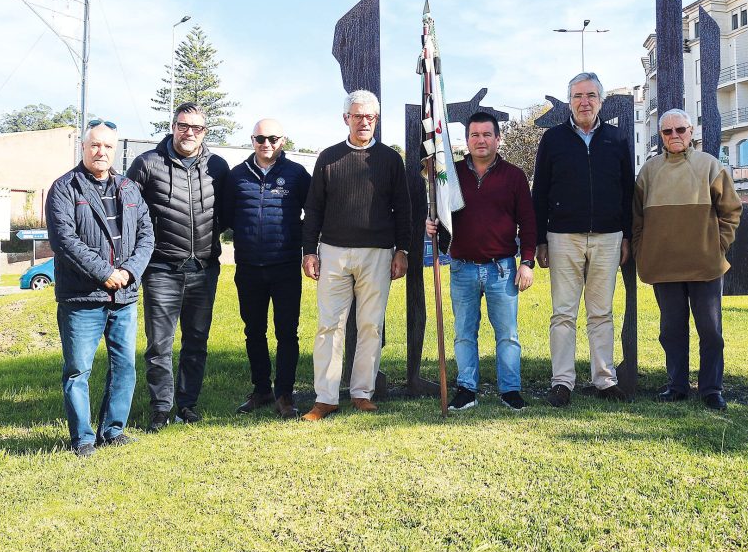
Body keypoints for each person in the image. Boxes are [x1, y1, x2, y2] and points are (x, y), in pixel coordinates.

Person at [46, 119, 155, 456]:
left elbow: (147, 235)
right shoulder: (65, 188)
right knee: (78, 369)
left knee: (125, 366)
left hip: (124, 296)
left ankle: (113, 430)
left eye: (108, 146)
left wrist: (129, 272)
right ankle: (83, 438)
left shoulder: (129, 188)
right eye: (95, 145)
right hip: (82, 297)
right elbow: (64, 240)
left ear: (116, 150)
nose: (101, 151)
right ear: (83, 147)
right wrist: (105, 272)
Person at [301, 90, 411, 419]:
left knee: (370, 326)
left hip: (377, 253)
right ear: (345, 118)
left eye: (370, 117)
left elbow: (402, 209)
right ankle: (326, 397)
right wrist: (310, 250)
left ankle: (362, 392)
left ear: (376, 120)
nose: (364, 122)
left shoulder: (391, 160)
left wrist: (402, 249)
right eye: (358, 116)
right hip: (333, 252)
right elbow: (313, 208)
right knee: (329, 326)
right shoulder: (328, 158)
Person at [532, 72, 634, 407]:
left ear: (601, 100)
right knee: (563, 312)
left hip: (608, 237)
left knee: (601, 312)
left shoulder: (618, 140)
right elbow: (540, 191)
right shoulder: (553, 139)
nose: (584, 102)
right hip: (562, 237)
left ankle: (604, 379)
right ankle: (562, 381)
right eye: (577, 96)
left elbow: (627, 191)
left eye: (590, 95)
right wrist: (540, 240)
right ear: (569, 102)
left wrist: (626, 235)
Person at [127, 102, 229, 431]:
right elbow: (130, 216)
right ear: (173, 127)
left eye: (196, 128)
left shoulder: (218, 166)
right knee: (159, 343)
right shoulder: (147, 164)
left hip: (203, 268)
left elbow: (226, 212)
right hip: (161, 269)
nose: (189, 133)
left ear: (205, 132)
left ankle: (187, 404)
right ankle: (160, 407)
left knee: (196, 340)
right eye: (183, 126)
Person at [425, 112, 536, 412]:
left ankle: (510, 390)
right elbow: (441, 213)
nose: (481, 140)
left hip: (502, 269)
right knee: (464, 332)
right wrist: (431, 224)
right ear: (467, 140)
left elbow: (527, 223)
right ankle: (466, 389)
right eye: (475, 135)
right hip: (462, 267)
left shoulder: (514, 176)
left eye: (487, 134)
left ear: (498, 139)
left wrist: (527, 262)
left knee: (508, 334)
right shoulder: (450, 174)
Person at [632, 108, 742, 411]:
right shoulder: (649, 171)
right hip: (664, 266)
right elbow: (636, 219)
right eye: (667, 132)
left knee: (710, 330)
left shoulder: (710, 166)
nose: (674, 136)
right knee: (671, 331)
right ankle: (676, 385)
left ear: (691, 131)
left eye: (680, 130)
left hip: (705, 265)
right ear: (661, 136)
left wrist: (717, 246)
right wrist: (644, 251)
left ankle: (711, 389)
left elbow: (731, 212)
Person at [222, 119, 311, 419]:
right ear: (252, 140)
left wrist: (295, 236)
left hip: (285, 266)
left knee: (287, 332)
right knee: (253, 332)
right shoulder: (237, 177)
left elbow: (314, 211)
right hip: (248, 267)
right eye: (260, 138)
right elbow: (226, 215)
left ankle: (285, 394)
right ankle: (261, 389)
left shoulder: (297, 174)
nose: (266, 143)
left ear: (283, 140)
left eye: (273, 138)